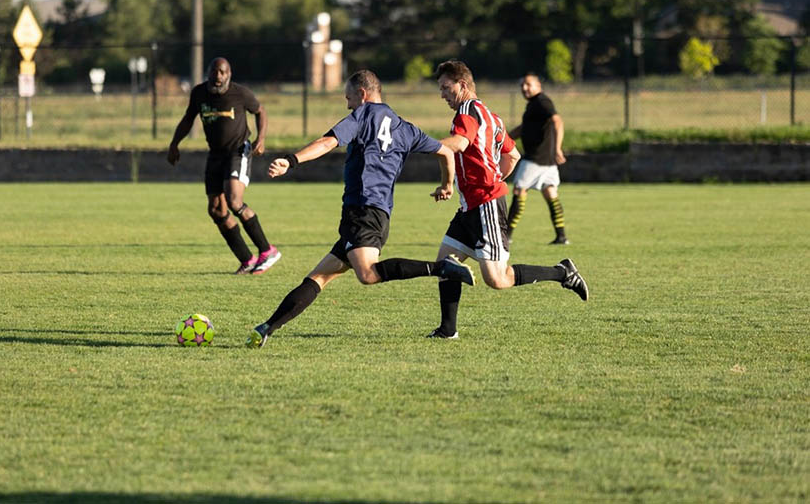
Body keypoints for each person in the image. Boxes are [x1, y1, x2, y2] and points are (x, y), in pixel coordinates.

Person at [246, 69, 474, 349]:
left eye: (349, 97)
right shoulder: (405, 127)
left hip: (362, 211)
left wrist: (291, 161)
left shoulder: (362, 116)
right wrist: (446, 184)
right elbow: (446, 151)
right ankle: (267, 327)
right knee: (319, 276)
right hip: (378, 214)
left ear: (362, 94)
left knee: (367, 274)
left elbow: (327, 142)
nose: (348, 104)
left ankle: (442, 268)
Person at [428, 60, 588, 339]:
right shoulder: (491, 116)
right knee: (446, 261)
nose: (442, 94)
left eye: (445, 87)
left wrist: (422, 144)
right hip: (472, 206)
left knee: (498, 279)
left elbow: (459, 144)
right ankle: (447, 330)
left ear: (462, 85)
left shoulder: (466, 112)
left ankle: (563, 273)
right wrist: (494, 178)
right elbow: (512, 155)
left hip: (485, 205)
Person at [168, 57, 281, 275]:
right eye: (214, 72)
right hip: (215, 154)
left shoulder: (240, 94)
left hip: (238, 151)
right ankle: (247, 260)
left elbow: (260, 111)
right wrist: (174, 144)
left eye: (222, 72)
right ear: (208, 73)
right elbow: (188, 118)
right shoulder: (199, 93)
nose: (218, 77)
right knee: (216, 210)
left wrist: (261, 138)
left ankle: (268, 251)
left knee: (234, 200)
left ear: (229, 74)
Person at [506, 72, 569, 245]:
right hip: (546, 160)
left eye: (528, 84)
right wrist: (504, 140)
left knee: (519, 190)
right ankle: (562, 236)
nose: (524, 88)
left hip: (535, 158)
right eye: (522, 85)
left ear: (538, 86)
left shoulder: (542, 101)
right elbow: (523, 128)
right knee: (550, 193)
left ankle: (507, 235)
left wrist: (557, 148)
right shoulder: (533, 105)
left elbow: (558, 121)